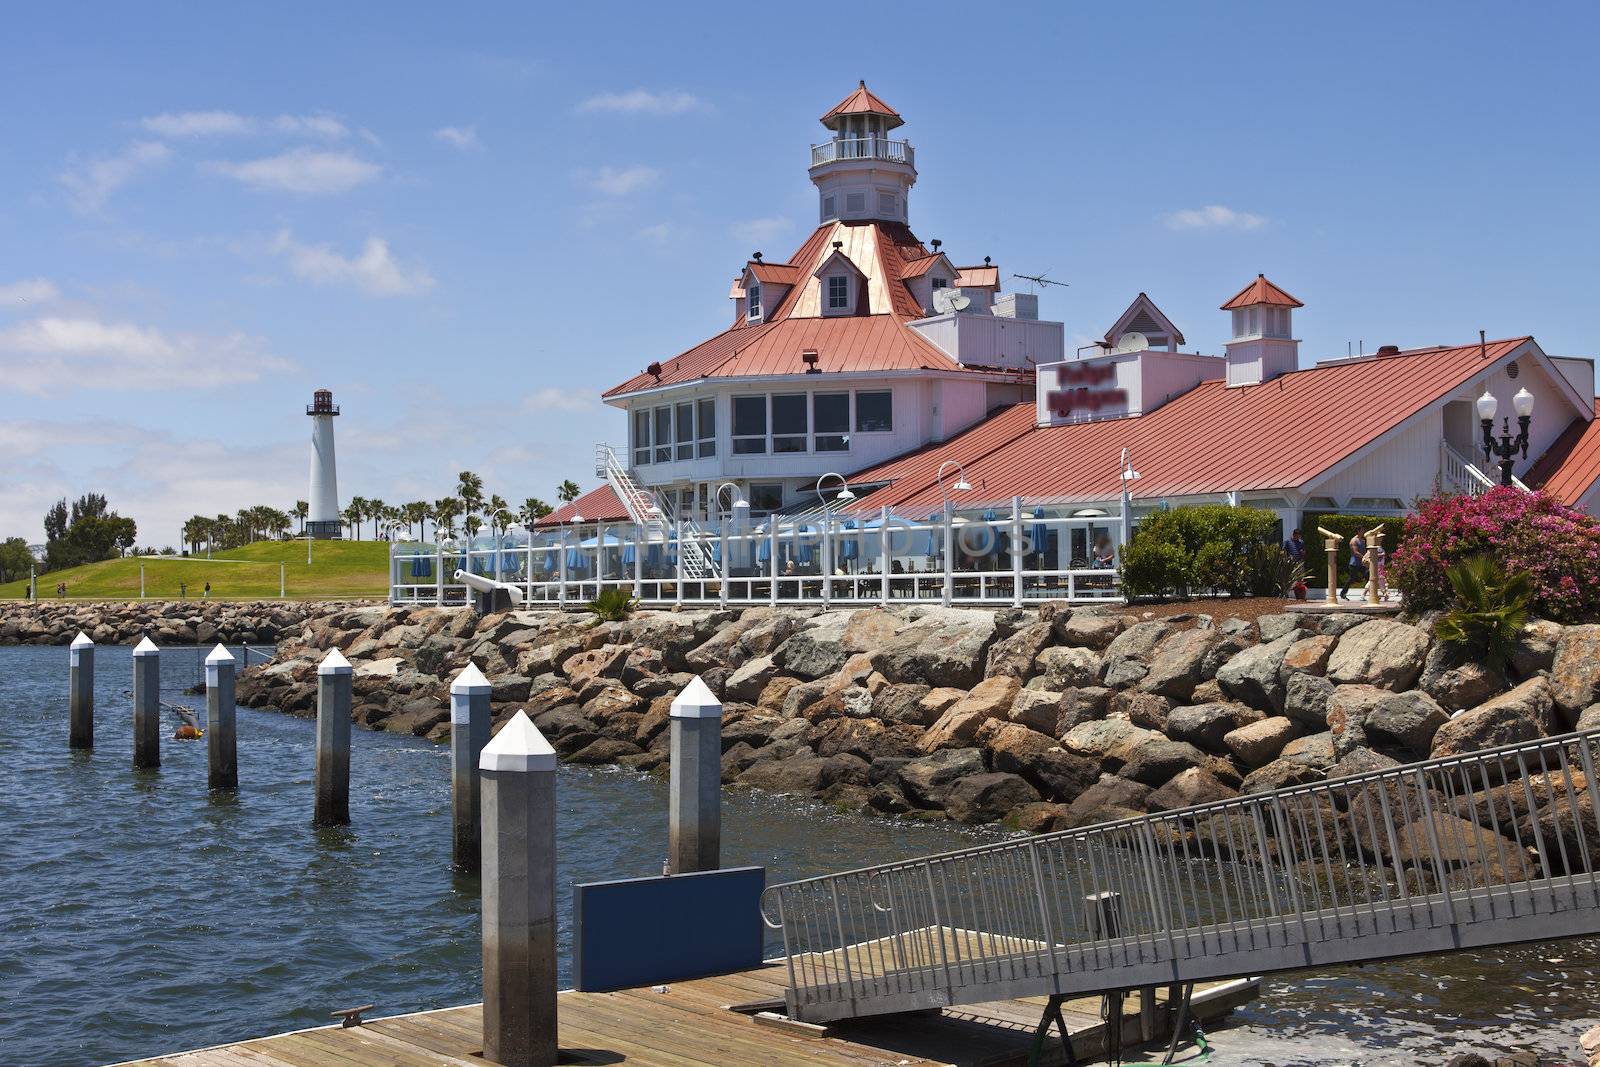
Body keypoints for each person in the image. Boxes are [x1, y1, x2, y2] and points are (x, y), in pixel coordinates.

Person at [1345, 532, 1369, 600]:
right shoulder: (1354, 540)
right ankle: (1343, 593)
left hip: (1362, 563)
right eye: (1362, 530)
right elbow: (1355, 552)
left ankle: (1371, 594)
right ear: (1358, 531)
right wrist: (1364, 557)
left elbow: (1364, 551)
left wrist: (1366, 557)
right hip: (1354, 563)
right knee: (1352, 579)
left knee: (1369, 576)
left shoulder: (1363, 540)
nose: (1363, 531)